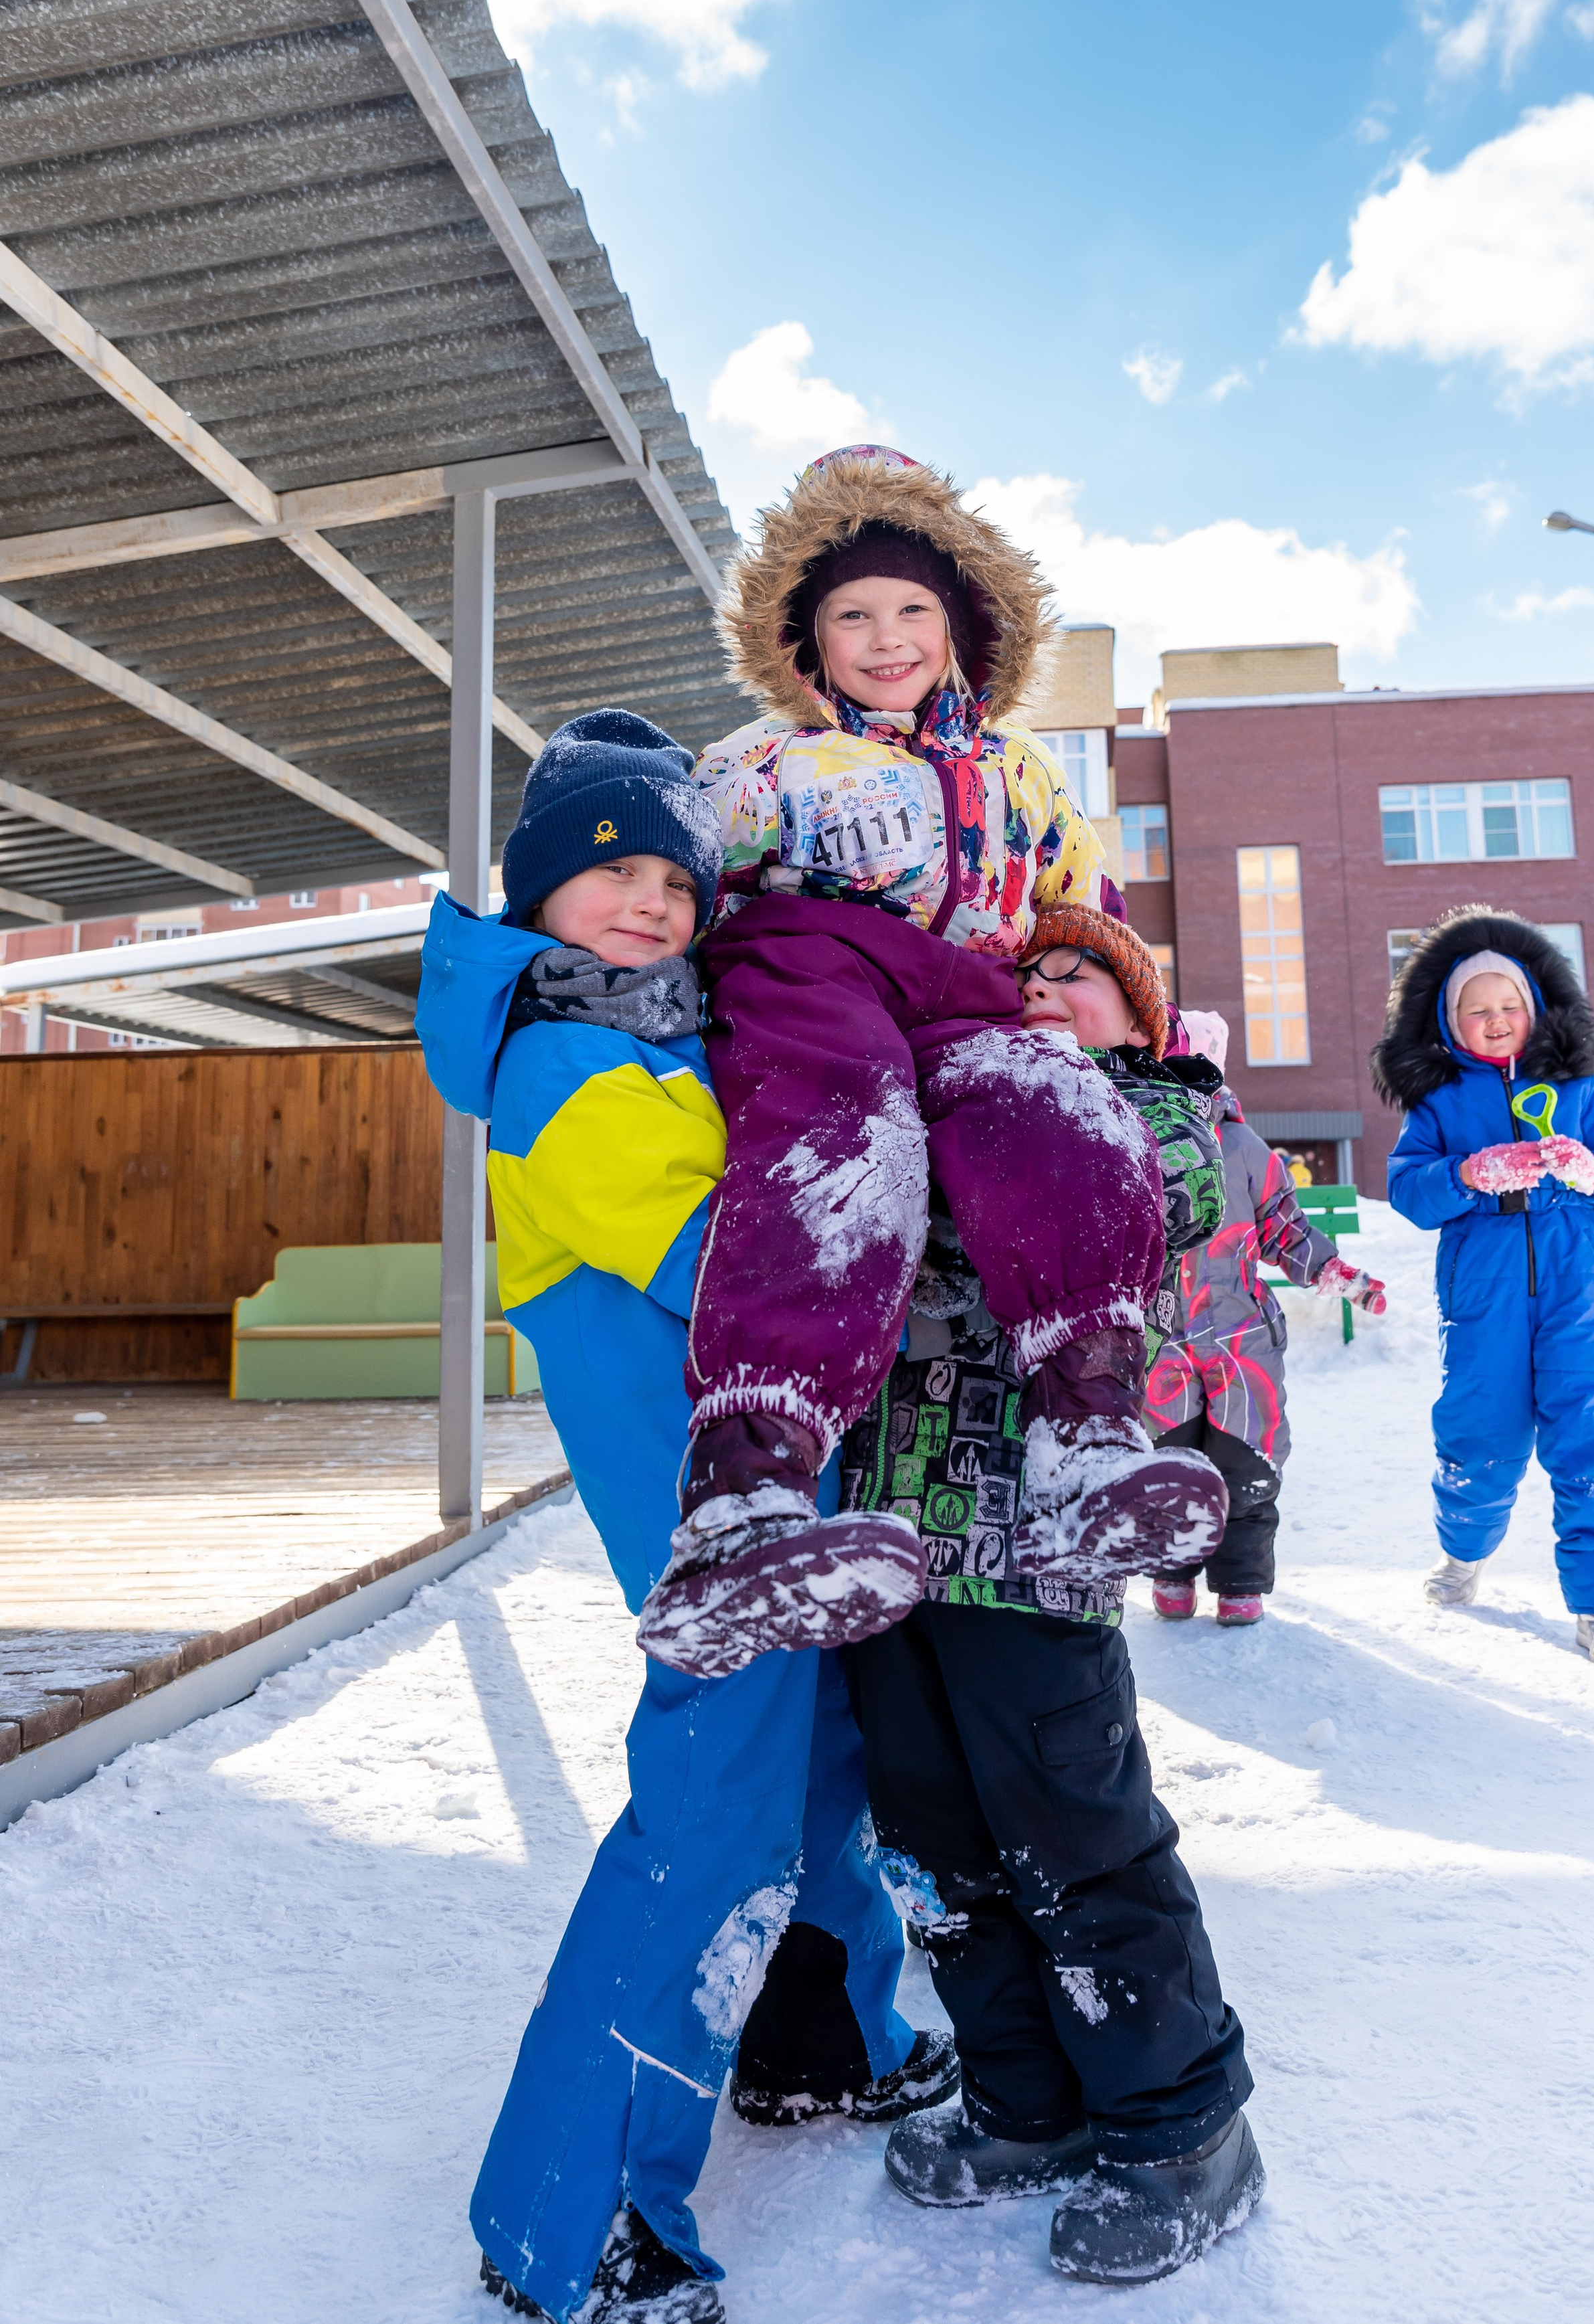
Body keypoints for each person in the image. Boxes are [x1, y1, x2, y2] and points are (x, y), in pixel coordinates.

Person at [416, 711, 952, 2324]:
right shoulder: (563, 1062)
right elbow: (723, 1256)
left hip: (775, 1497)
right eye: (608, 874)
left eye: (672, 876)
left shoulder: (654, 1037)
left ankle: (825, 2038)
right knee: (707, 1816)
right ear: (534, 894)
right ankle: (564, 2222)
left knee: (819, 1760)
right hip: (704, 1530)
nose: (647, 902)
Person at [637, 446, 1225, 1679]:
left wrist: (1127, 1027)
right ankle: (747, 1487)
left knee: (1050, 1101)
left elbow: (1084, 909)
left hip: (967, 989)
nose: (886, 634)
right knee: (845, 1131)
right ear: (807, 646)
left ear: (963, 630)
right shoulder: (764, 763)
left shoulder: (1021, 773)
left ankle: (1089, 1432)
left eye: (913, 609)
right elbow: (673, 878)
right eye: (853, 613)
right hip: (811, 962)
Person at [843, 906, 1263, 2288]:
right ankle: (1024, 2102)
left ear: (1141, 1020)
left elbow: (1176, 1199)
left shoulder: (1158, 1117)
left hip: (1033, 1562)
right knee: (936, 1850)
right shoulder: (940, 1109)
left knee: (1075, 1836)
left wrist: (1040, 1090)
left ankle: (1179, 2127)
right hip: (897, 1548)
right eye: (1017, 975)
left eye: (1074, 973)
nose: (1040, 989)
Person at [1372, 908, 1594, 1669]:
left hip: (1580, 1290)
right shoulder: (1439, 1103)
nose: (1495, 1022)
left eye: (1508, 1007)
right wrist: (1466, 1175)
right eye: (1478, 1010)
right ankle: (1464, 1551)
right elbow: (1409, 1192)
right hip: (1484, 1293)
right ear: (1450, 1020)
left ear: (1532, 1013)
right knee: (1480, 1440)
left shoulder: (1581, 1090)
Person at [1142, 1009, 1387, 1627]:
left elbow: (1286, 1229)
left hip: (1239, 1337)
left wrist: (1341, 1277)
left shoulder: (1244, 1149)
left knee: (1246, 1461)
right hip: (1162, 1338)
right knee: (1168, 1458)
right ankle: (1173, 1572)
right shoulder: (1133, 1138)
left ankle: (1241, 1580)